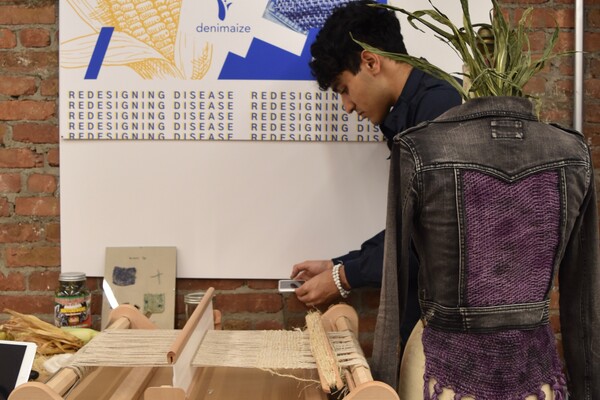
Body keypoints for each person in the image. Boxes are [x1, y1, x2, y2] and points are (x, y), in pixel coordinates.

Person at [369, 3, 600, 399]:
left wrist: (382, 385)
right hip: (537, 378)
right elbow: (585, 308)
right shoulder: (572, 152)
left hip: (440, 376)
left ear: (468, 74)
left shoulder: (420, 148)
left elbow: (392, 299)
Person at [290, 0, 462, 344]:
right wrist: (338, 264)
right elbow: (409, 226)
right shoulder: (415, 110)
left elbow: (434, 239)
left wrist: (343, 278)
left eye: (343, 90)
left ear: (370, 61)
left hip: (449, 331)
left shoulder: (439, 109)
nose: (348, 106)